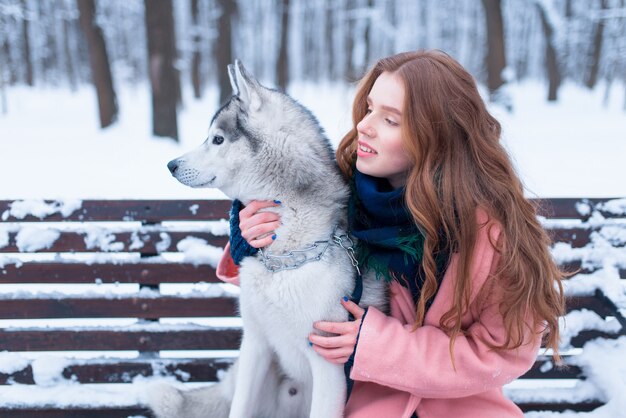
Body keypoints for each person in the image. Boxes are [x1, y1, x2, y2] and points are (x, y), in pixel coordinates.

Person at [216, 50, 566, 418]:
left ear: (437, 135)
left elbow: (503, 351)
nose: (365, 125)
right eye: (369, 109)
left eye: (391, 119)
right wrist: (247, 236)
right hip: (367, 408)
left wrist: (379, 345)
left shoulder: (491, 231)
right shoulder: (336, 195)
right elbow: (276, 294)